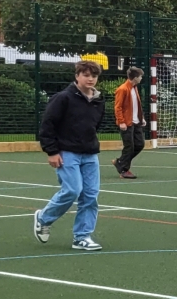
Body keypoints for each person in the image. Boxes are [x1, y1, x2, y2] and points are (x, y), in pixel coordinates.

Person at [33, 59, 109, 251]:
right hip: (67, 153)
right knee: (72, 190)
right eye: (86, 75)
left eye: (94, 76)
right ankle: (43, 218)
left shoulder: (98, 100)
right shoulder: (63, 98)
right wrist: (52, 151)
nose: (90, 79)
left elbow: (95, 125)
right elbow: (48, 125)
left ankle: (82, 237)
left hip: (90, 154)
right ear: (77, 76)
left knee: (90, 196)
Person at [111, 67, 146, 179]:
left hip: (136, 122)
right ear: (135, 77)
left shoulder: (134, 88)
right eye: (140, 76)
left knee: (140, 144)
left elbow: (136, 106)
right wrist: (121, 122)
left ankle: (120, 162)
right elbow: (118, 107)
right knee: (129, 147)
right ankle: (124, 170)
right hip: (127, 123)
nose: (141, 78)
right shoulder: (123, 89)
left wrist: (141, 118)